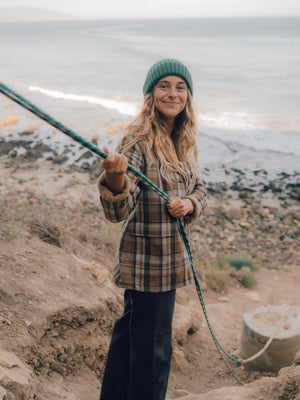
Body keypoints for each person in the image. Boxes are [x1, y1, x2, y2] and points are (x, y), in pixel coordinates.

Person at [97, 58, 207, 400]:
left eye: (180, 87)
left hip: (169, 264)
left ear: (188, 96)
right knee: (153, 355)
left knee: (130, 341)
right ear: (151, 94)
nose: (172, 93)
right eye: (164, 86)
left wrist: (189, 204)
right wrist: (115, 177)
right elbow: (120, 210)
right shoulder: (138, 140)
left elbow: (200, 189)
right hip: (149, 267)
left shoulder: (182, 141)